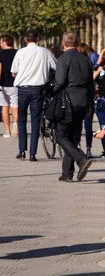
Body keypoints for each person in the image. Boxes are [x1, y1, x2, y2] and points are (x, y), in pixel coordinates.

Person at [52, 32, 94, 182]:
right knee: (74, 136)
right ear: (77, 43)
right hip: (83, 101)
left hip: (68, 101)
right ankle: (67, 173)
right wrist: (89, 103)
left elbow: (59, 81)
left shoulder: (63, 59)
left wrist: (52, 93)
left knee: (61, 136)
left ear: (63, 43)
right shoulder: (85, 58)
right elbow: (91, 83)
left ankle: (81, 158)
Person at [11, 31, 57, 162]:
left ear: (25, 39)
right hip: (38, 89)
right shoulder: (45, 52)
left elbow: (14, 71)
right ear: (37, 38)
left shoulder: (20, 52)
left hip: (23, 89)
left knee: (22, 120)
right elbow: (56, 66)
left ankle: (22, 150)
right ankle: (33, 153)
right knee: (36, 120)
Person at [0, 35, 18, 138]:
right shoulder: (17, 53)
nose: (0, 44)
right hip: (16, 83)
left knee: (4, 107)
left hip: (4, 84)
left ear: (4, 42)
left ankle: (7, 131)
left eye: (0, 42)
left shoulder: (0, 54)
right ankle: (16, 126)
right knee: (15, 107)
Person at [77, 43, 96, 157]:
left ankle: (78, 146)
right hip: (88, 97)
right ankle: (88, 149)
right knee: (88, 125)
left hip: (77, 98)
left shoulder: (75, 63)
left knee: (77, 124)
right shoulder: (89, 63)